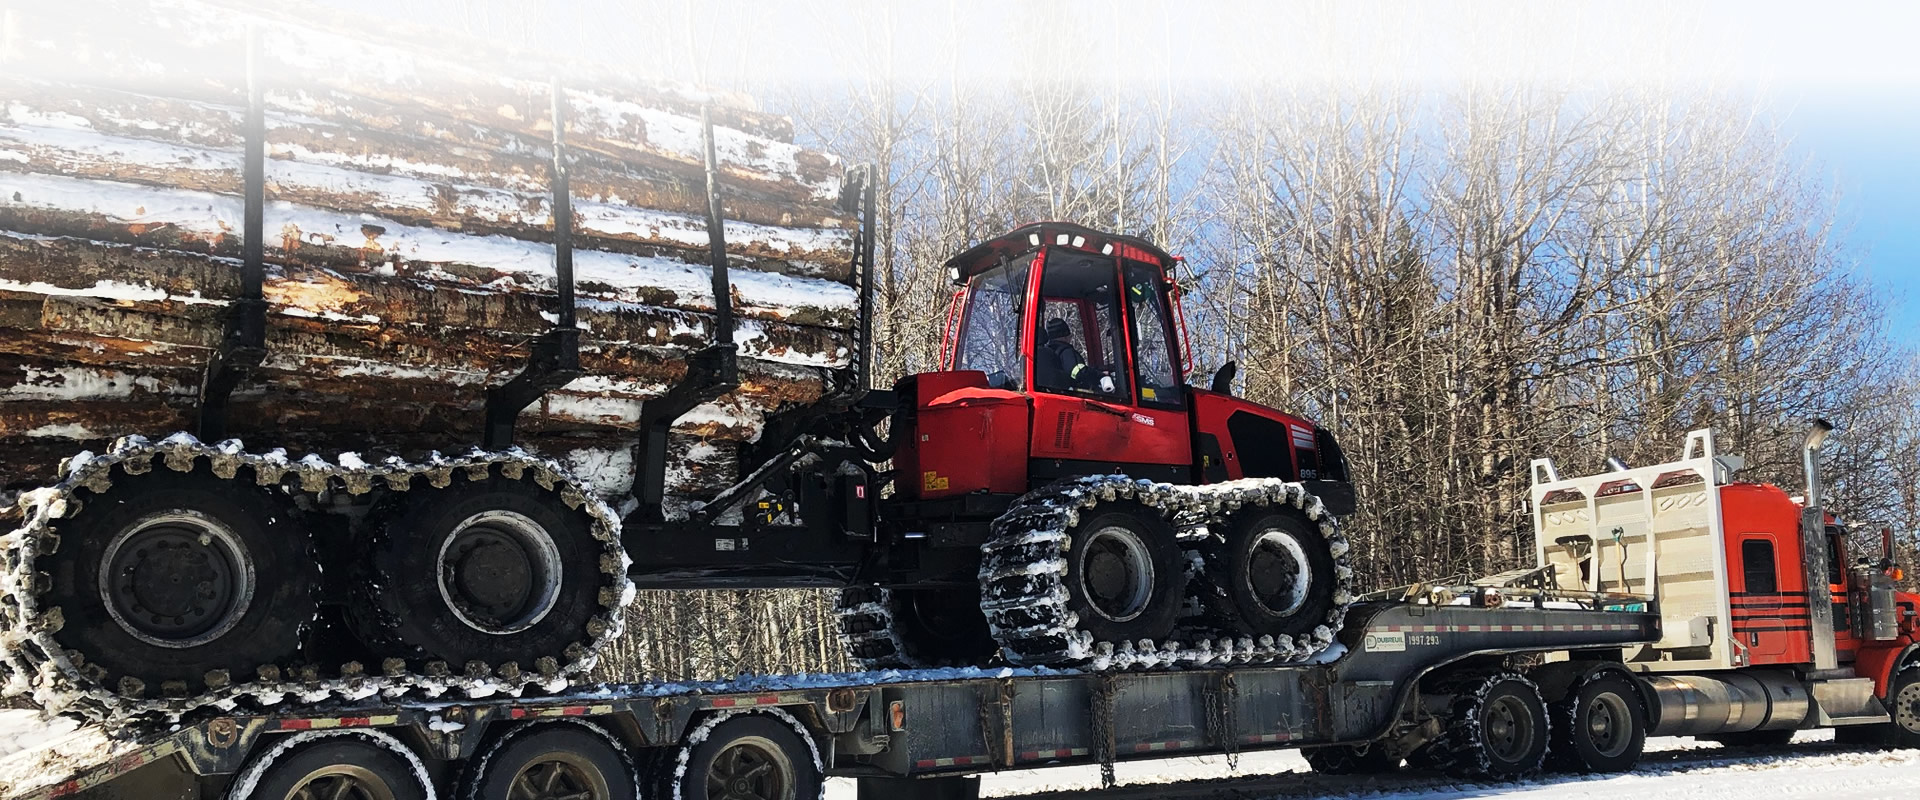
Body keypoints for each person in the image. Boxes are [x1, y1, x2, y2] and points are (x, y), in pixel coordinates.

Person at [1037, 317, 1093, 391]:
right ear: (1066, 337)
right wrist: (1099, 376)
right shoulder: (1067, 352)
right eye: (1069, 336)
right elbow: (1079, 373)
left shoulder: (1047, 354)